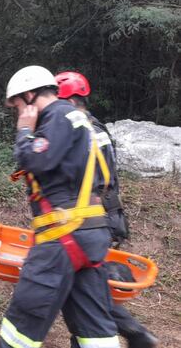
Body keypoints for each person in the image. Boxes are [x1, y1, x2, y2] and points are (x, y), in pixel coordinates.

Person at [0, 65, 118, 348]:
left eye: (17, 105)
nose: (18, 112)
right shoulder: (82, 120)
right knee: (95, 330)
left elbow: (37, 160)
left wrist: (24, 131)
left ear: (29, 96)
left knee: (20, 328)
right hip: (90, 233)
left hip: (61, 238)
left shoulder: (57, 116)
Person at [55, 71, 158, 348]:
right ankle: (130, 333)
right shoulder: (95, 128)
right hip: (104, 215)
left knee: (84, 289)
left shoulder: (84, 132)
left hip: (93, 218)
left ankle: (131, 332)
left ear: (71, 101)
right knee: (86, 286)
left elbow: (87, 181)